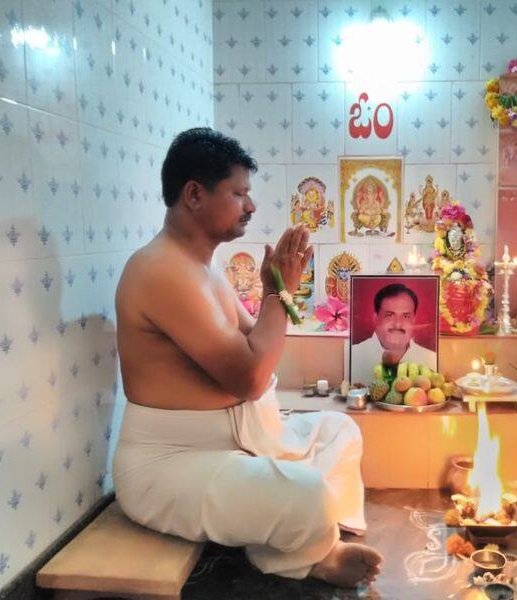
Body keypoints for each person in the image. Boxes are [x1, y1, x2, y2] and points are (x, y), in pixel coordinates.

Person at [113, 128, 383, 587]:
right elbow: (251, 376)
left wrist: (276, 287)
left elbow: (258, 341)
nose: (251, 206)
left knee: (339, 428)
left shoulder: (204, 271)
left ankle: (291, 535)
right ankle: (308, 552)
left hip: (235, 444)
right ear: (194, 194)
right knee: (310, 495)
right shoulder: (160, 271)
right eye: (239, 193)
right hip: (172, 463)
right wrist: (279, 288)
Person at [350, 283, 437, 382]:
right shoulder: (354, 356)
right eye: (390, 315)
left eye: (405, 316)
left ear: (414, 320)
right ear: (376, 319)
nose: (398, 324)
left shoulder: (431, 360)